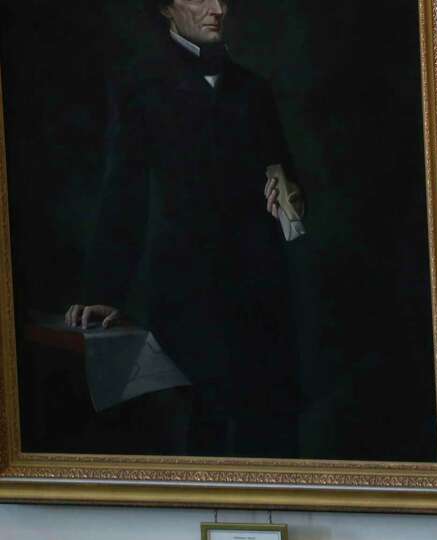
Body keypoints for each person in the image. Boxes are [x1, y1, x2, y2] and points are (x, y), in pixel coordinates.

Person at [64, 0, 305, 457]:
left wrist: (291, 194)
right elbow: (123, 198)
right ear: (165, 8)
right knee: (200, 440)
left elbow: (285, 177)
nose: (218, 8)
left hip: (261, 302)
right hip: (185, 302)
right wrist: (106, 292)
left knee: (271, 442)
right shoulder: (141, 87)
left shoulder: (255, 90)